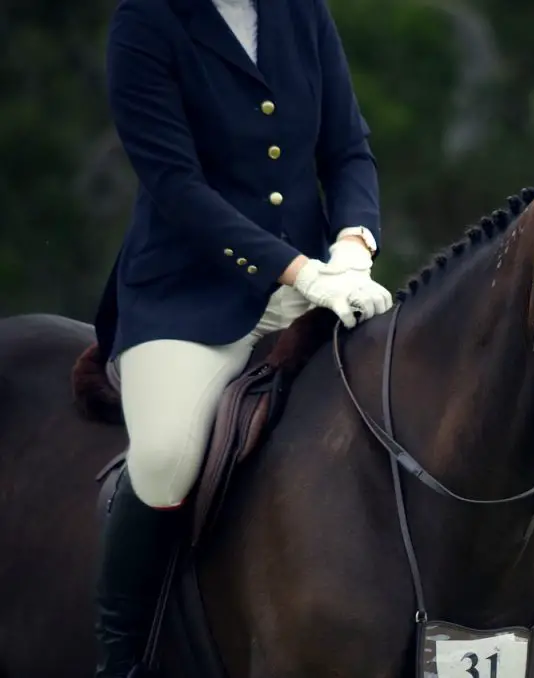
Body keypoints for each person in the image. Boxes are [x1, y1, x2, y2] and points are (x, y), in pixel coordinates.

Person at [91, 0, 393, 675]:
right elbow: (176, 187)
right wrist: (300, 272)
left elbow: (348, 149)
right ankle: (123, 660)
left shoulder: (300, 12)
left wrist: (353, 245)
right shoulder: (146, 22)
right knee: (167, 456)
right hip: (187, 294)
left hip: (319, 281)